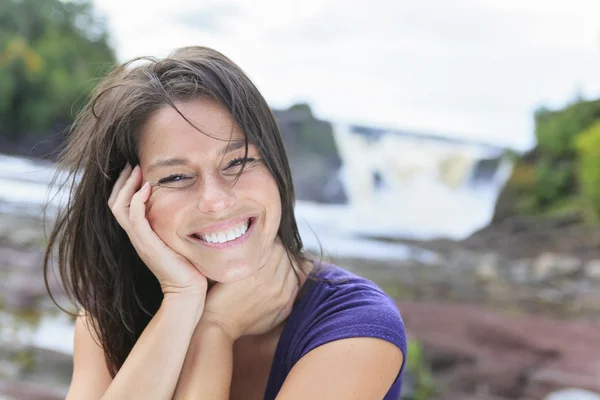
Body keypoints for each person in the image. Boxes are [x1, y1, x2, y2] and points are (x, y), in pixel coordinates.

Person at [44, 46, 406, 399]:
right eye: (175, 177)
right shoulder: (111, 313)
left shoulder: (355, 328)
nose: (216, 201)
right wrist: (182, 299)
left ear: (275, 166)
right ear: (129, 199)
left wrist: (214, 329)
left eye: (237, 162)